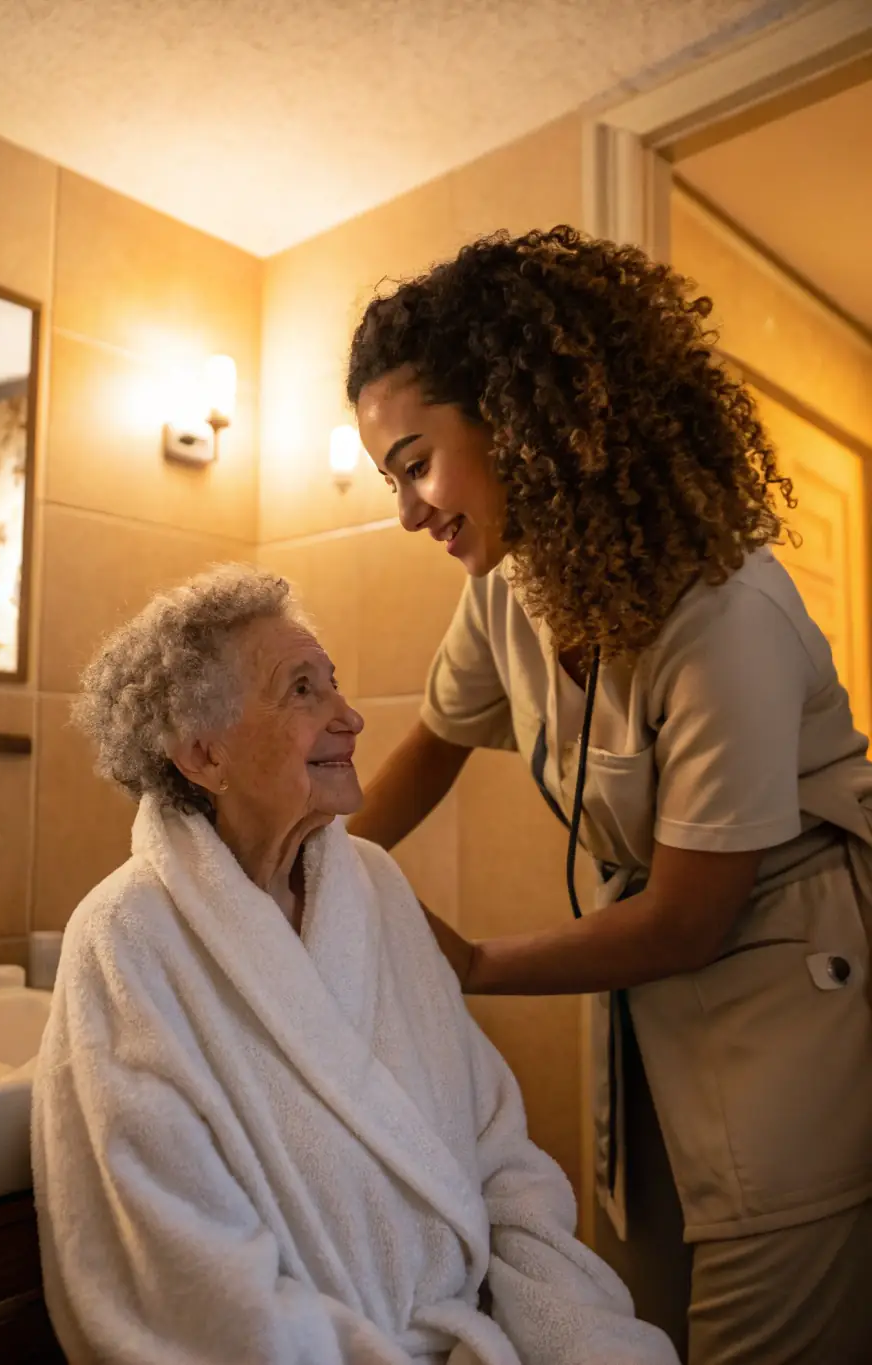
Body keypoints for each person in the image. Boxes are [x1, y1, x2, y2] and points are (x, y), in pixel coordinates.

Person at [345, 226, 872, 1365]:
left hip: (792, 990)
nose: (407, 509)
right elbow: (428, 750)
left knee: (760, 1327)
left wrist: (471, 965)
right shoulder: (510, 586)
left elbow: (691, 915)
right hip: (652, 1000)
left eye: (414, 462)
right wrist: (296, 856)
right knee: (642, 1313)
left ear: (514, 417)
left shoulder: (723, 614)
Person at [32, 564, 675, 1365]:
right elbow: (187, 1285)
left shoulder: (374, 886)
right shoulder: (125, 941)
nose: (352, 716)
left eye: (333, 683)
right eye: (303, 691)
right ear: (203, 754)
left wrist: (583, 1338)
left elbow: (501, 1156)